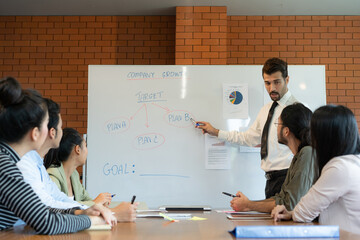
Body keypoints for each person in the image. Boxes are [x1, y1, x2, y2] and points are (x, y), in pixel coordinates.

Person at [0, 77, 116, 234]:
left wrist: (81, 212)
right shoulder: (7, 166)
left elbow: (41, 210)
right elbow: (47, 222)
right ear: (35, 133)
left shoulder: (8, 158)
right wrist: (93, 220)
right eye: (46, 124)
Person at [197, 58, 298, 198]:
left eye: (277, 82)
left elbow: (306, 151)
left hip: (289, 178)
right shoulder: (266, 110)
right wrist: (216, 132)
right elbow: (248, 138)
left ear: (287, 80)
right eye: (267, 83)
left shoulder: (297, 111)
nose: (272, 88)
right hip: (270, 181)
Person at [272, 105, 360, 234]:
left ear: (324, 137)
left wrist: (294, 213)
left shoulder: (339, 168)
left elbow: (303, 213)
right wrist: (291, 213)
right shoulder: (353, 162)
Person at [17, 99, 112, 209]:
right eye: (60, 127)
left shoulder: (38, 164)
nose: (61, 132)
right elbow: (49, 209)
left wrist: (93, 210)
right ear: (52, 132)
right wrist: (92, 210)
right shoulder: (26, 165)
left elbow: (60, 199)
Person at [230, 103, 319, 213]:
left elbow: (290, 204)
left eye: (278, 124)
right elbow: (280, 198)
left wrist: (249, 205)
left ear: (286, 131)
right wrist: (248, 204)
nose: (276, 128)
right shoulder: (298, 156)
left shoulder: (307, 153)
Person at [44, 128, 112, 207]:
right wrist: (95, 203)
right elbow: (59, 207)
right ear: (78, 149)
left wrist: (100, 204)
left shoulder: (74, 175)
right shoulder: (52, 176)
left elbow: (87, 199)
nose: (87, 151)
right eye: (86, 146)